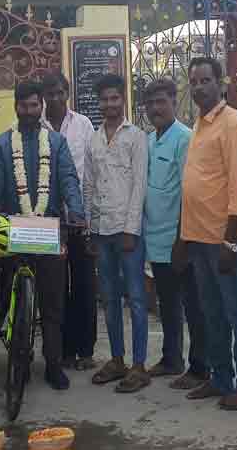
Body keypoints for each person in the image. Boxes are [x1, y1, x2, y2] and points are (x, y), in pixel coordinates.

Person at [0, 80, 84, 390]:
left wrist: (76, 211)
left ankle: (53, 365)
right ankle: (19, 362)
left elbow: (68, 179)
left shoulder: (56, 144)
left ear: (41, 107)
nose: (28, 111)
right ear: (16, 106)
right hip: (14, 229)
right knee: (8, 299)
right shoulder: (1, 144)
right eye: (23, 105)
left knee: (53, 305)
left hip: (48, 230)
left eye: (33, 105)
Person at [174, 56, 237, 411]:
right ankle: (220, 378)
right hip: (198, 239)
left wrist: (230, 241)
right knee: (212, 314)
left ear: (220, 83)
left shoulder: (233, 125)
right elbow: (194, 186)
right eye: (193, 81)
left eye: (205, 80)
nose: (198, 87)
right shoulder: (199, 124)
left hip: (225, 242)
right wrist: (183, 237)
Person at [84, 74, 151, 392]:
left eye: (115, 99)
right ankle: (117, 360)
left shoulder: (136, 137)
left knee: (136, 299)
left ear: (123, 100)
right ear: (99, 102)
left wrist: (131, 228)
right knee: (109, 299)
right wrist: (89, 229)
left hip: (127, 233)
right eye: (104, 99)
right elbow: (89, 185)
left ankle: (139, 365)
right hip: (101, 231)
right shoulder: (94, 139)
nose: (109, 104)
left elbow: (140, 184)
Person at [142, 77, 209, 390]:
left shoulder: (185, 138)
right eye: (151, 103)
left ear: (173, 102)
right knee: (167, 303)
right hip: (155, 239)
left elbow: (189, 192)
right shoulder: (149, 140)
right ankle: (171, 359)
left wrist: (183, 239)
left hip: (180, 238)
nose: (156, 108)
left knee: (193, 305)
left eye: (162, 101)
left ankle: (199, 366)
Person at [42, 70, 98, 373]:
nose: (55, 98)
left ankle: (85, 349)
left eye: (60, 92)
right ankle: (62, 351)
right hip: (46, 221)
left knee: (84, 284)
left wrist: (87, 217)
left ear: (68, 93)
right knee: (54, 288)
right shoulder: (31, 126)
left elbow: (90, 173)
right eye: (49, 93)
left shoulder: (84, 125)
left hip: (78, 219)